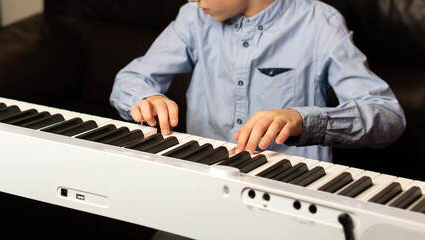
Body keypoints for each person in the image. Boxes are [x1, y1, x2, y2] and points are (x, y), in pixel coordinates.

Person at [110, 0, 406, 164]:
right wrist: (146, 97)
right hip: (203, 184)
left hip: (291, 190)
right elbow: (131, 79)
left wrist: (302, 120)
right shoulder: (193, 18)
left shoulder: (319, 23)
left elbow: (388, 116)